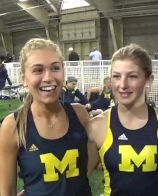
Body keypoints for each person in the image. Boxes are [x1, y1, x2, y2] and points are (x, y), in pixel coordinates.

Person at [0, 38, 93, 195]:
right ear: (24, 78)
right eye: (38, 70)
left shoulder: (80, 114)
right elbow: (7, 191)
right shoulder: (13, 125)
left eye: (55, 68)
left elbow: (90, 166)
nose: (48, 77)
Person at [87, 43, 158, 195]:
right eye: (116, 76)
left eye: (132, 76)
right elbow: (78, 177)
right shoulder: (97, 126)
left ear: (148, 80)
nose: (122, 85)